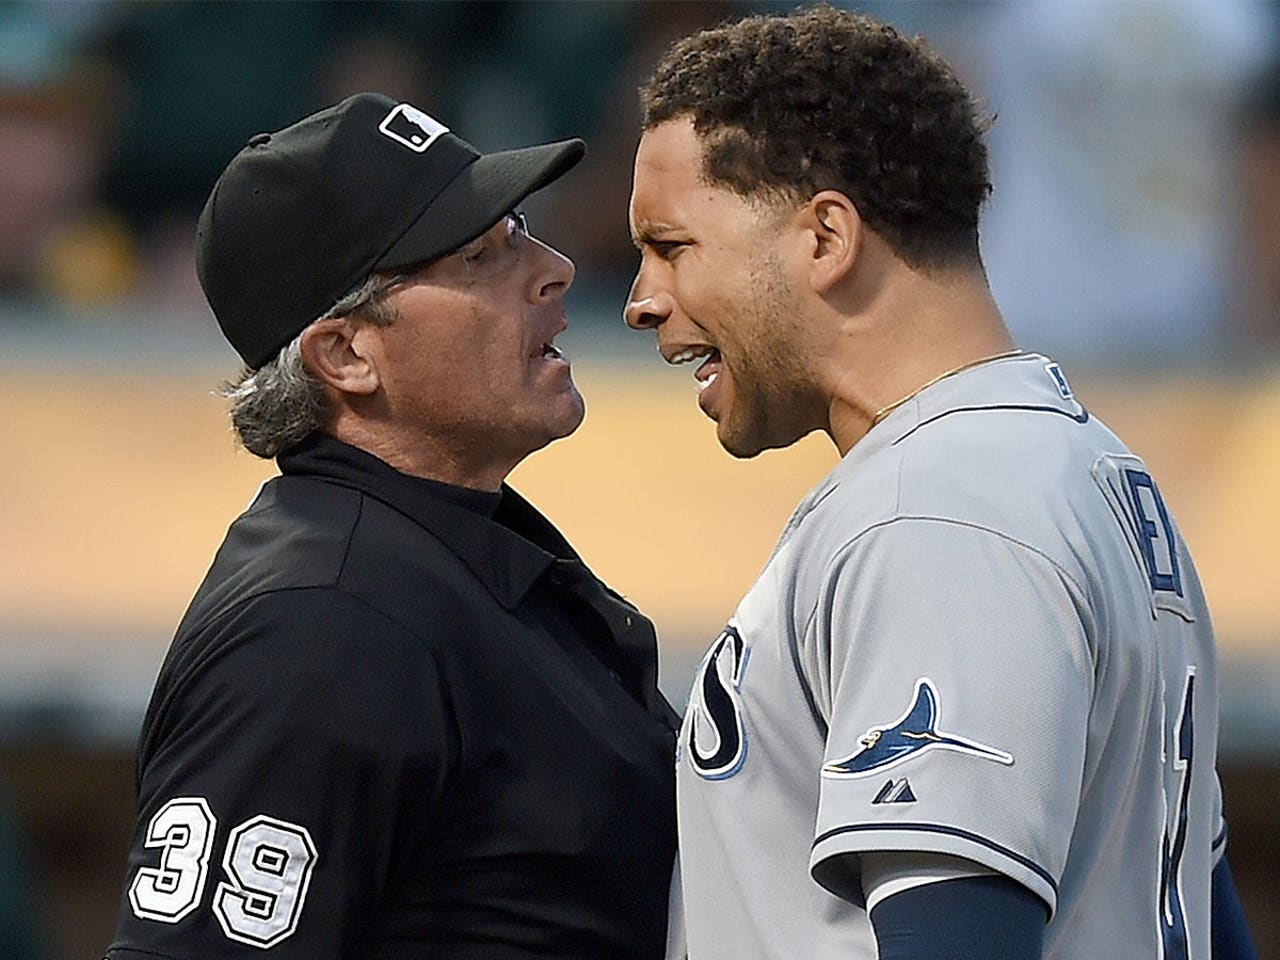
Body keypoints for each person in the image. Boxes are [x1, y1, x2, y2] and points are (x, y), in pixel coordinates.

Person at [623, 7, 1257, 960]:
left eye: (672, 246)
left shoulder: (940, 512)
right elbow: (1212, 922)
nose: (642, 299)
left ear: (826, 237)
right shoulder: (1086, 472)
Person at [105, 91, 678, 959]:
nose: (553, 267)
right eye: (482, 254)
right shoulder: (325, 626)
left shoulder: (430, 564)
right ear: (345, 354)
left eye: (522, 227)